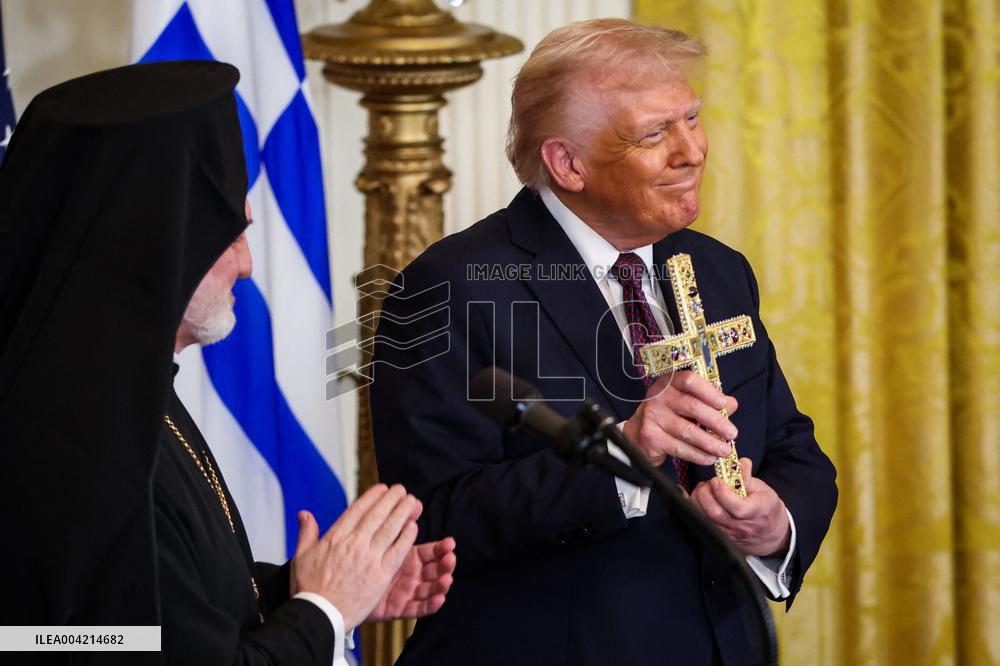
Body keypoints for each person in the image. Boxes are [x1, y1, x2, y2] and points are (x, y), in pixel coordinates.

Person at [370, 19, 837, 665]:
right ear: (568, 163)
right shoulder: (447, 287)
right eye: (655, 134)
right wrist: (625, 452)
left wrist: (775, 521)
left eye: (692, 119)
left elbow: (791, 446)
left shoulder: (717, 269)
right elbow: (434, 519)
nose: (692, 151)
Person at [0, 60, 455, 665]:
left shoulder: (114, 388)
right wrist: (324, 612)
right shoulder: (72, 442)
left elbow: (152, 625)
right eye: (231, 236)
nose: (246, 264)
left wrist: (302, 593)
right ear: (159, 244)